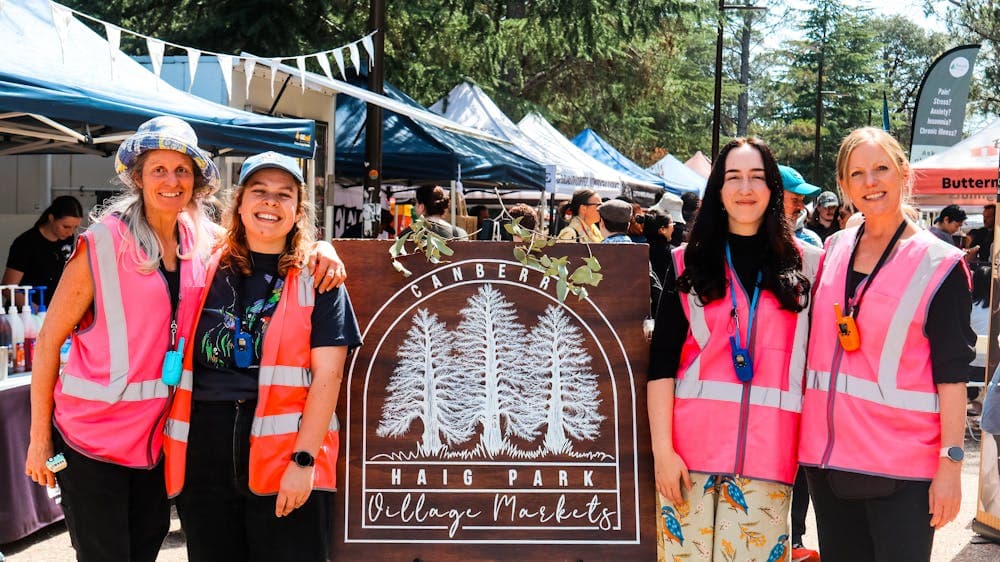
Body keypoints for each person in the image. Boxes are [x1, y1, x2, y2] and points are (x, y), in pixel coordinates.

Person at [23, 116, 346, 562]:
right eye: (159, 169)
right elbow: (47, 343)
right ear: (138, 176)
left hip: (159, 442)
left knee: (145, 550)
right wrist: (40, 438)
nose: (171, 181)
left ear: (197, 181)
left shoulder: (208, 243)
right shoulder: (102, 242)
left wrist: (321, 248)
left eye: (182, 170)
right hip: (92, 439)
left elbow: (272, 234)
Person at [164, 152, 361, 561]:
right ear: (239, 203)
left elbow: (328, 377)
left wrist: (304, 463)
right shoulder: (203, 263)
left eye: (283, 194)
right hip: (207, 448)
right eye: (260, 191)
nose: (270, 202)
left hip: (288, 450)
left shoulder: (318, 276)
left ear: (298, 209)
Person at [799, 127, 973, 561]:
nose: (870, 182)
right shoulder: (834, 249)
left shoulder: (940, 264)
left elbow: (952, 375)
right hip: (830, 464)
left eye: (881, 169)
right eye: (857, 173)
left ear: (902, 173)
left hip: (902, 470)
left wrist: (950, 466)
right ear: (843, 185)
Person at [648, 137, 821, 561]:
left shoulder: (810, 266)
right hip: (687, 459)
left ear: (774, 190)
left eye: (757, 178)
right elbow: (662, 365)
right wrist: (662, 453)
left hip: (770, 458)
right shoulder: (686, 263)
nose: (746, 188)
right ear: (718, 191)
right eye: (734, 177)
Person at [2, 195, 83, 307]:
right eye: (66, 227)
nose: (70, 232)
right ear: (51, 218)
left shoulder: (67, 239)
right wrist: (35, 309)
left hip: (53, 311)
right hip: (25, 315)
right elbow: (8, 288)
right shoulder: (25, 243)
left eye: (75, 228)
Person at [640, 208, 674, 317]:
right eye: (671, 223)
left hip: (645, 308)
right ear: (662, 230)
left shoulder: (639, 250)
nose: (673, 226)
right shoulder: (673, 254)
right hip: (666, 307)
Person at [780, 165, 823, 247]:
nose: (802, 207)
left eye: (802, 200)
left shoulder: (811, 242)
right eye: (795, 200)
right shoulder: (752, 239)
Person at [402, 185, 468, 239]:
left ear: (421, 207)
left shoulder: (407, 234)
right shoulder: (460, 234)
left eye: (415, 203)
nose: (414, 207)